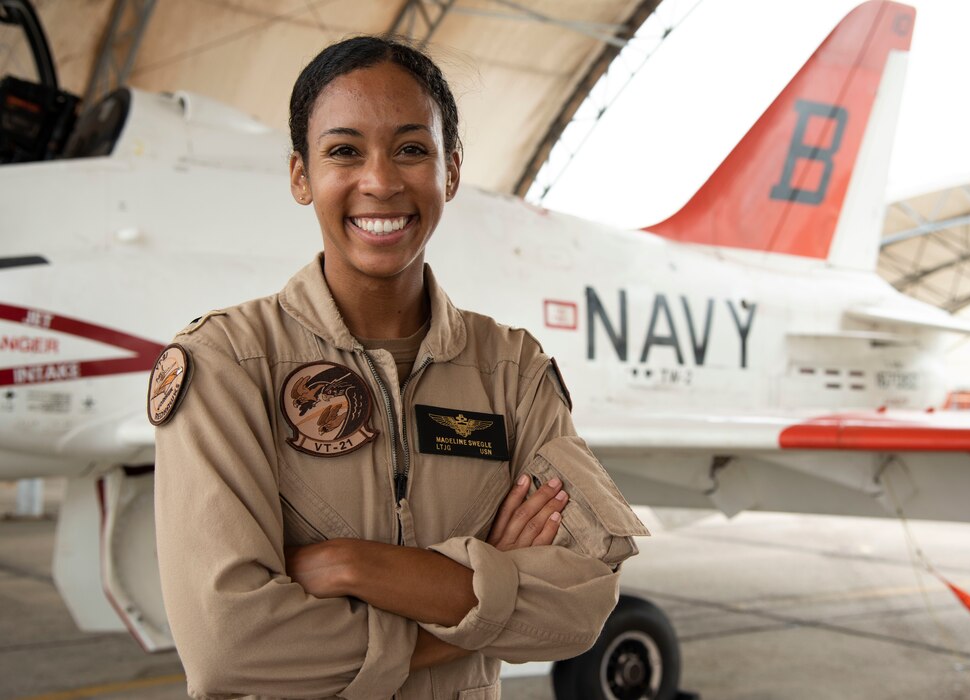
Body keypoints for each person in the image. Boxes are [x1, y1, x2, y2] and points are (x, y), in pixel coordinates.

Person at [151, 35, 648, 700]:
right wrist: (478, 604)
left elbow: (581, 602)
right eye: (344, 151)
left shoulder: (511, 371)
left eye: (412, 149)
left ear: (450, 171)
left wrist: (358, 565)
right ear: (301, 175)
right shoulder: (226, 366)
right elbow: (232, 646)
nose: (381, 181)